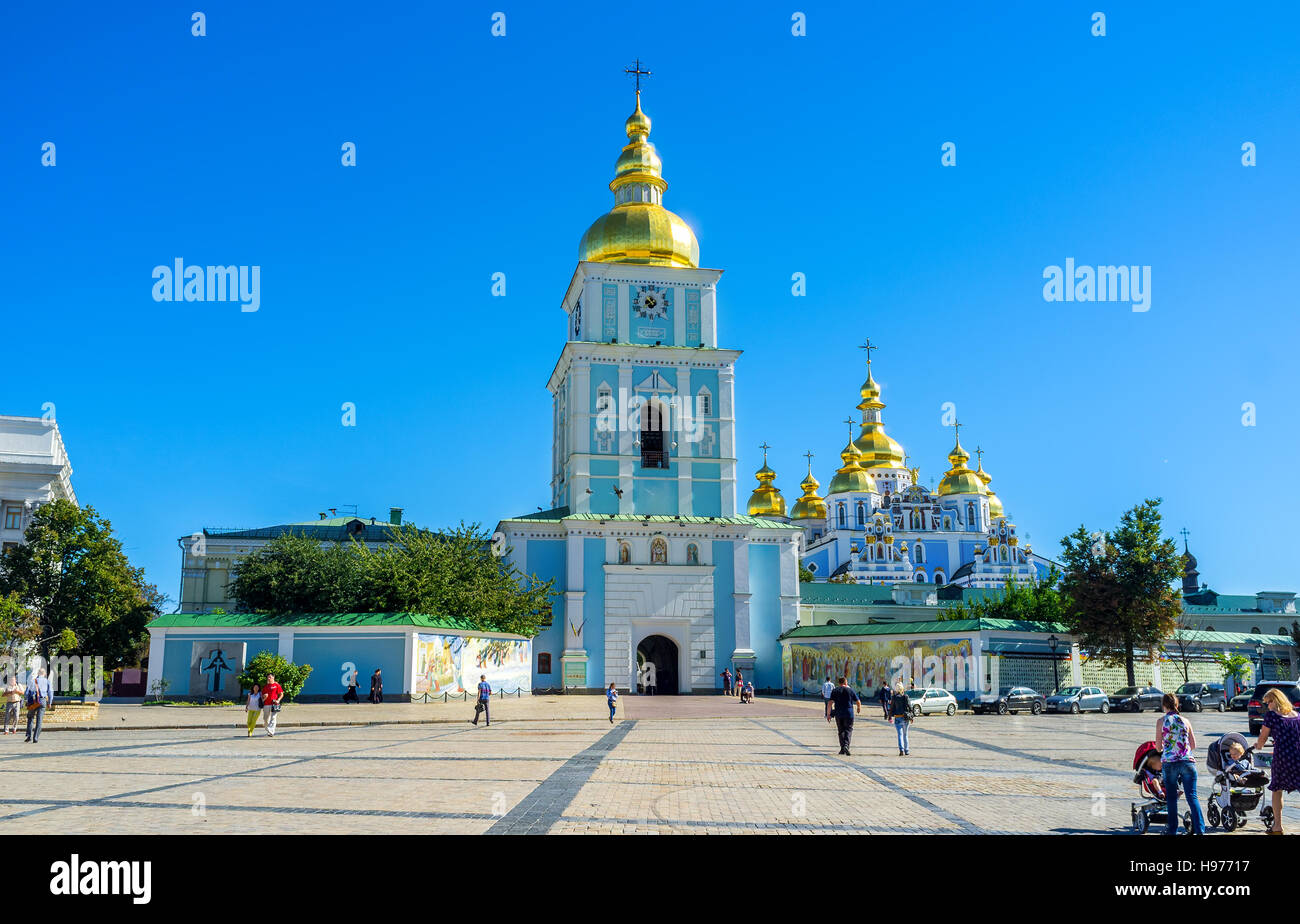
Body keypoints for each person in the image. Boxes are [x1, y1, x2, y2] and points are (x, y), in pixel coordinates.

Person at [1157, 692, 1204, 835]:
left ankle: (1172, 830)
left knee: (1171, 798)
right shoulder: (1186, 721)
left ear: (1164, 706)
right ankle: (1200, 830)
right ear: (1177, 705)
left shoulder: (1161, 721)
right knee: (1192, 797)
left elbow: (1158, 747)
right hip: (1187, 762)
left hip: (1170, 763)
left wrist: (1167, 747)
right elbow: (1193, 744)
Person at [1254, 687, 1300, 835]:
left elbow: (1263, 736)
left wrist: (1258, 745)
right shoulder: (1297, 716)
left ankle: (1278, 826)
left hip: (1282, 758)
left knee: (1277, 790)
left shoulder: (1272, 716)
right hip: (1298, 757)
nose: (1267, 706)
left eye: (1268, 702)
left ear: (1275, 700)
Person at [825, 676, 861, 756]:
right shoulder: (850, 690)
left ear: (839, 683)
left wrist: (828, 714)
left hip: (838, 713)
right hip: (849, 713)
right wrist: (859, 708)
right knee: (848, 730)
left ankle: (842, 749)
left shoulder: (835, 690)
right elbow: (858, 701)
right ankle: (846, 746)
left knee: (841, 731)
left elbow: (830, 703)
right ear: (845, 682)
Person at [24, 667, 52, 744]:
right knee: (39, 720)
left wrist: (26, 700)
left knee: (30, 717)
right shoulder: (47, 681)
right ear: (45, 674)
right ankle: (35, 737)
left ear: (38, 674)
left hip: (33, 701)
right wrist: (49, 702)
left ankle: (29, 736)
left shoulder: (32, 681)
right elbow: (50, 693)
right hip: (42, 701)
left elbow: (26, 693)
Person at [890, 682, 912, 756]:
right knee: (905, 735)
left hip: (897, 717)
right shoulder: (905, 696)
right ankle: (907, 750)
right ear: (902, 688)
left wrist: (890, 716)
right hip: (905, 717)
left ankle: (901, 750)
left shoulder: (894, 697)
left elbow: (892, 707)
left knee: (900, 734)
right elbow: (910, 707)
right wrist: (911, 717)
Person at [261, 673, 284, 737]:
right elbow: (262, 696)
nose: (269, 678)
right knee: (265, 718)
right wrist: (264, 697)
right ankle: (267, 728)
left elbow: (281, 694)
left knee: (273, 718)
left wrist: (278, 700)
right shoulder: (266, 686)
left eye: (270, 677)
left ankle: (271, 732)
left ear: (273, 678)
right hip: (266, 704)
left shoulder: (276, 685)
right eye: (268, 677)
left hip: (274, 704)